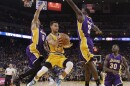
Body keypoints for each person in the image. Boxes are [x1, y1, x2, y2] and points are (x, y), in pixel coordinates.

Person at [66, 0, 102, 86]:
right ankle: (86, 84)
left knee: (90, 62)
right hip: (88, 41)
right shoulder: (90, 19)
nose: (79, 11)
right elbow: (95, 27)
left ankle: (98, 82)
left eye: (81, 10)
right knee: (86, 66)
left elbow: (73, 6)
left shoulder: (82, 16)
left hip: (84, 42)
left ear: (84, 12)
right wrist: (98, 31)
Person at [27, 21, 73, 86]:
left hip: (61, 57)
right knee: (43, 70)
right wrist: (59, 39)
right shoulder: (49, 37)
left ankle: (59, 79)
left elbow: (63, 45)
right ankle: (34, 80)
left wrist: (67, 45)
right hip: (52, 57)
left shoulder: (61, 35)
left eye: (57, 26)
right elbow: (54, 43)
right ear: (51, 27)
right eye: (55, 26)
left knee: (70, 64)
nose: (57, 27)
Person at [18, 2, 47, 83]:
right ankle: (21, 76)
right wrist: (40, 7)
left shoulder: (44, 32)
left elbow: (45, 44)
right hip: (33, 49)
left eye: (38, 20)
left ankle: (27, 83)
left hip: (40, 52)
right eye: (36, 19)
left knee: (38, 69)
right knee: (38, 67)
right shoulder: (34, 26)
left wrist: (47, 48)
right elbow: (36, 15)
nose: (36, 20)